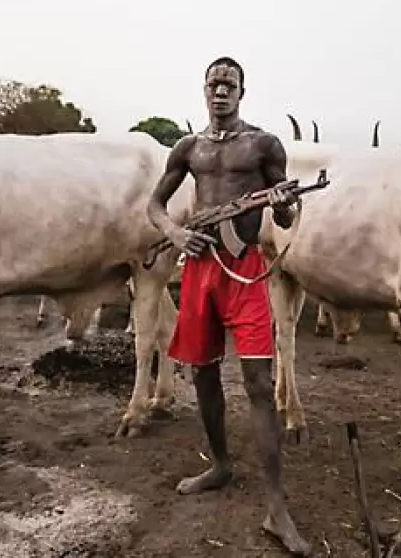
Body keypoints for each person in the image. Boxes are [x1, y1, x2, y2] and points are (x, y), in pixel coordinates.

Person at [146, 56, 311, 556]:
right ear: (204, 91)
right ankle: (219, 465)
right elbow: (156, 205)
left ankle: (277, 509)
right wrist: (176, 233)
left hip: (244, 273)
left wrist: (282, 204)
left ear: (243, 91)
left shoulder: (263, 144)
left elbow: (285, 212)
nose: (221, 91)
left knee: (261, 384)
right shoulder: (187, 148)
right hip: (199, 272)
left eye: (230, 84)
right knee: (201, 375)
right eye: (214, 83)